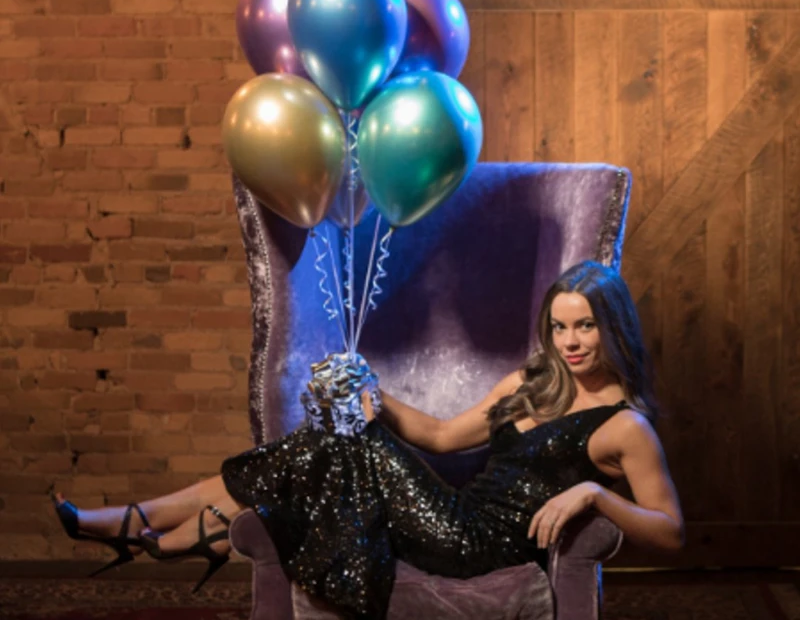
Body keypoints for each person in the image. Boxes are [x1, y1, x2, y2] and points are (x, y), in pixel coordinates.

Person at [53, 260, 683, 619]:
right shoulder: (531, 382)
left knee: (343, 442)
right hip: (452, 515)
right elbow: (441, 436)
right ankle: (181, 526)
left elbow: (672, 531)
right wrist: (375, 396)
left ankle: (160, 523)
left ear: (612, 326)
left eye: (585, 326)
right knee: (337, 439)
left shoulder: (624, 425)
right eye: (560, 327)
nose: (570, 342)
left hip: (479, 547)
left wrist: (593, 496)